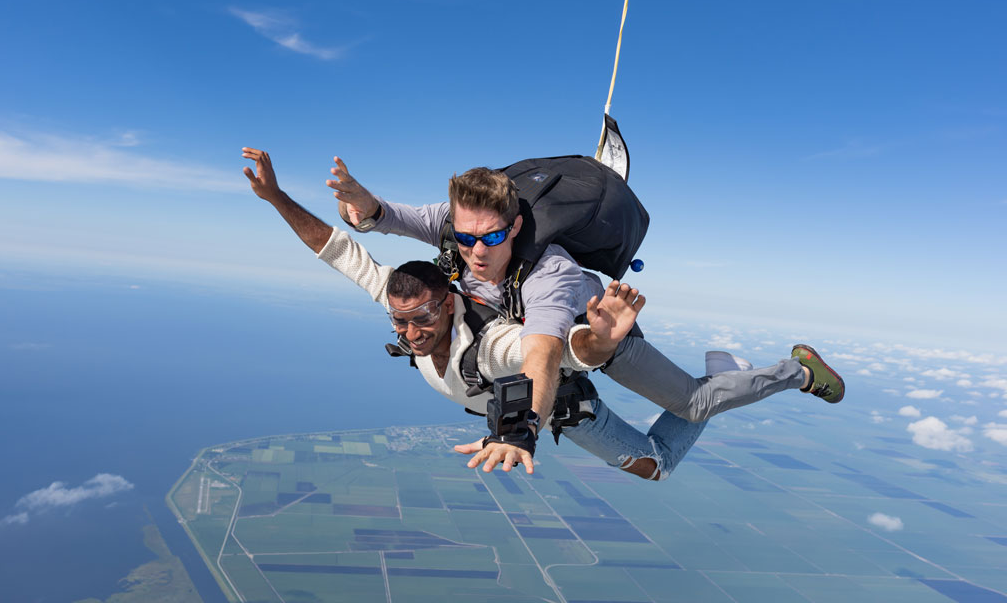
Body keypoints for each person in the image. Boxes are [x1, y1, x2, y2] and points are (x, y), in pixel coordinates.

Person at [245, 147, 717, 480]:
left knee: (657, 463)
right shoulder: (407, 301)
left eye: (424, 318)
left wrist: (521, 429)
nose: (412, 332)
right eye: (400, 321)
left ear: (450, 302)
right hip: (544, 404)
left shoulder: (488, 347)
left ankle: (747, 377)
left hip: (563, 411)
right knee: (655, 465)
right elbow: (334, 248)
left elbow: (547, 351)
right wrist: (275, 197)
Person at [325, 157, 846, 427]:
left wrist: (523, 423)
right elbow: (392, 216)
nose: (475, 251)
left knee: (693, 403)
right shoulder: (455, 225)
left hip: (603, 331)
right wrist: (362, 205)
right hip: (556, 337)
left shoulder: (548, 274)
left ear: (516, 224)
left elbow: (545, 350)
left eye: (491, 237)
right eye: (465, 237)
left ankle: (798, 370)